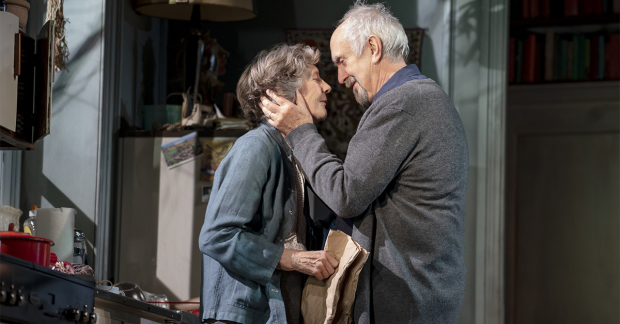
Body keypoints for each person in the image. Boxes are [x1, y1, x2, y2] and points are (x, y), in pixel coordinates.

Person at [259, 2, 469, 323]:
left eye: (343, 61)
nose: (340, 77)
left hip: (405, 300)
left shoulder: (402, 104)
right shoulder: (422, 98)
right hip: (419, 295)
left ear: (373, 48)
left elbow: (346, 195)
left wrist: (300, 131)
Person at [198, 44, 338, 324]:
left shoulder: (291, 152)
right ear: (283, 93)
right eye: (315, 78)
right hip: (243, 316)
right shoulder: (256, 147)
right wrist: (292, 259)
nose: (327, 87)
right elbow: (216, 236)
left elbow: (291, 234)